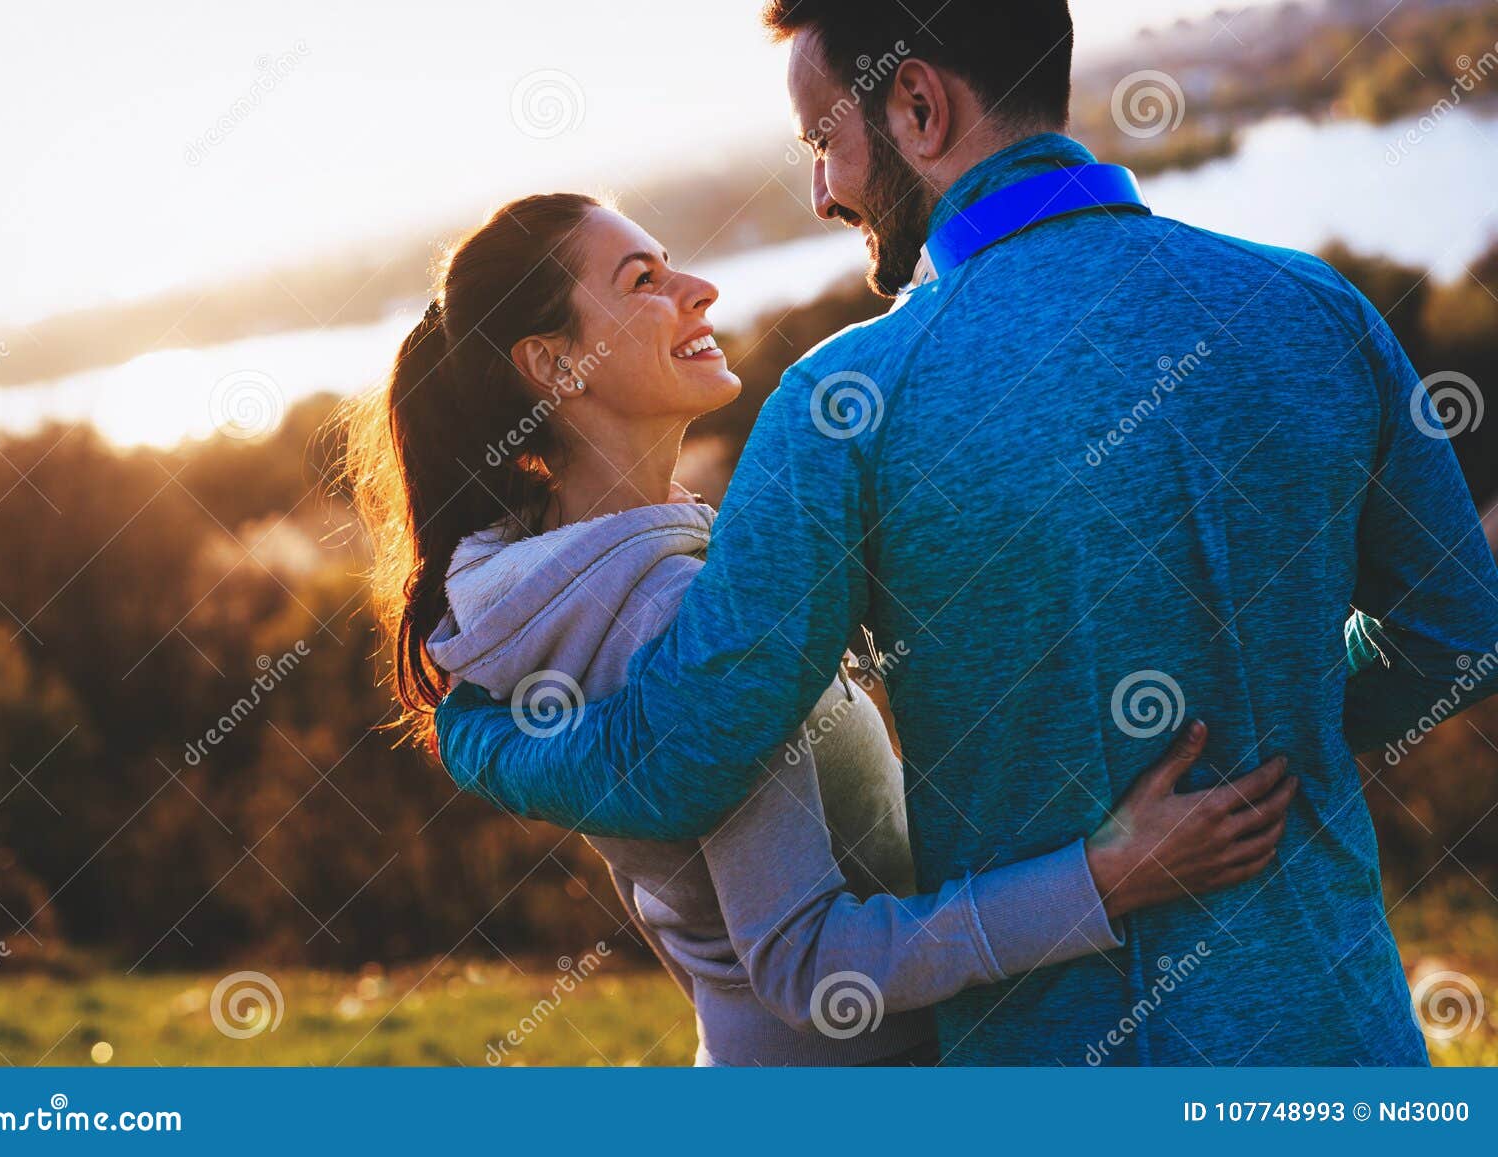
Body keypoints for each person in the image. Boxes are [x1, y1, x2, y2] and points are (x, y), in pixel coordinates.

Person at [433, 2, 1498, 1065]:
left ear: (917, 104)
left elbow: (681, 758)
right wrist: (1269, 713)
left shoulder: (845, 402)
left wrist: (476, 737)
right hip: (1343, 1039)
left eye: (822, 141)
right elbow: (1460, 632)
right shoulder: (1314, 306)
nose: (823, 191)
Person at [344, 192, 1297, 1066]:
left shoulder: (541, 596)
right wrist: (1108, 877)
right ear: (554, 364)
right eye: (644, 281)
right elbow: (807, 966)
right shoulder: (666, 613)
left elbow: (687, 914)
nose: (699, 287)